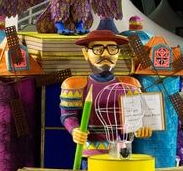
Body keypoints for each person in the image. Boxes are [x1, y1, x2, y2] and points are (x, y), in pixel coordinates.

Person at [60, 30, 152, 158]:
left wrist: (142, 127)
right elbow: (68, 115)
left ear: (118, 53)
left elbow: (138, 116)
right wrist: (75, 130)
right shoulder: (75, 85)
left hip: (122, 153)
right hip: (90, 154)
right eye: (98, 49)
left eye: (112, 48)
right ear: (85, 53)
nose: (105, 54)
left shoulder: (130, 85)